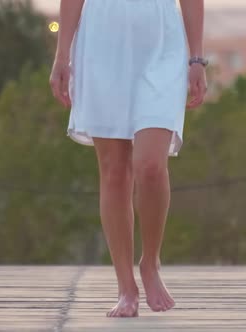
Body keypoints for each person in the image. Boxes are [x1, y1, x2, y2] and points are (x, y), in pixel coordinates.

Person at [50, 0, 207, 318]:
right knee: (114, 171)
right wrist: (62, 54)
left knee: (150, 166)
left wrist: (197, 58)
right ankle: (126, 287)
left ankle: (150, 261)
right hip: (102, 42)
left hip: (161, 43)